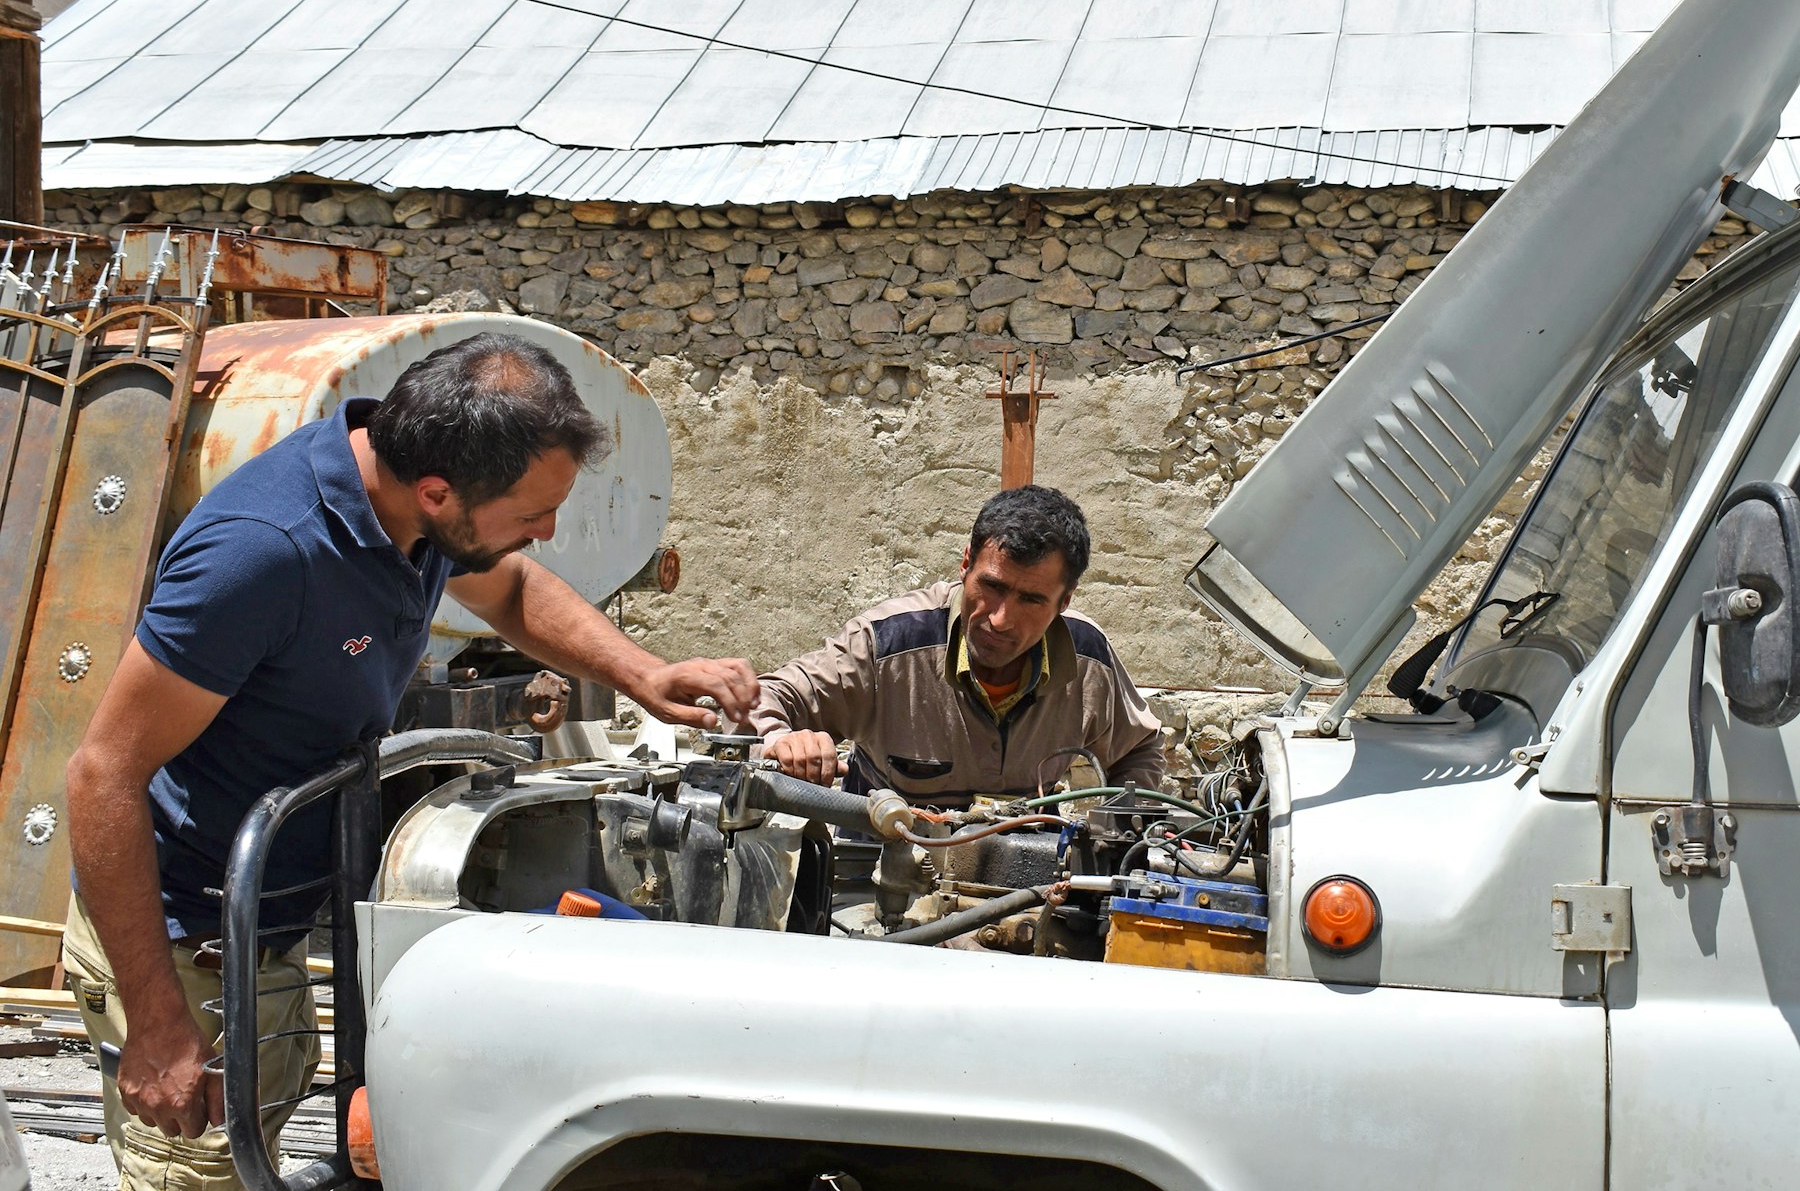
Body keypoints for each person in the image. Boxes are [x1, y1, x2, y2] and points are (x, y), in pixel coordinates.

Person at [60, 331, 758, 1188]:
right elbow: (102, 774)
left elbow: (507, 587)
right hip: (186, 940)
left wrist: (643, 672)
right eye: (533, 512)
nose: (546, 533)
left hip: (268, 930)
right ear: (436, 491)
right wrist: (156, 1019)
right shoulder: (263, 552)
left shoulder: (405, 506)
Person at [753, 485, 1163, 807]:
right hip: (878, 877)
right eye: (992, 586)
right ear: (966, 565)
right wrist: (780, 740)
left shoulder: (1088, 656)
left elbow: (1139, 747)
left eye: (1032, 600)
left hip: (1025, 880)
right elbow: (764, 696)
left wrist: (1116, 833)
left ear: (1064, 602)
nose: (1000, 619)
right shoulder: (890, 644)